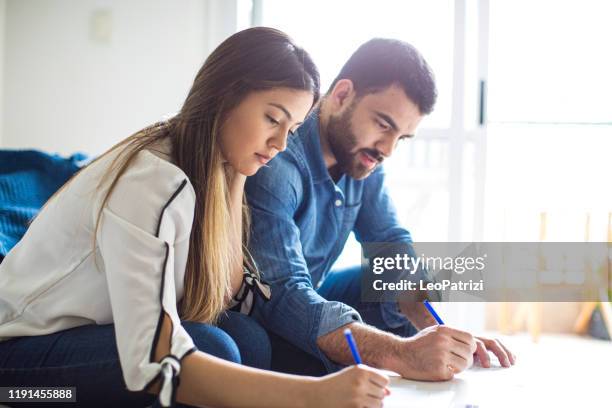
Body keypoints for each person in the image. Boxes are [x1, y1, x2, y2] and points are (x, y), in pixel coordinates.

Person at [0, 27, 390, 408]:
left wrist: (238, 176)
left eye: (293, 129)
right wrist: (315, 396)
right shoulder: (152, 182)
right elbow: (153, 365)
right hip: (15, 365)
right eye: (273, 119)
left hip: (89, 336)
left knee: (247, 337)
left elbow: (223, 294)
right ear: (225, 96)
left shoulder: (215, 166)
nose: (281, 144)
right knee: (212, 346)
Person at [245, 38, 516, 380]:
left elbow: (389, 241)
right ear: (342, 95)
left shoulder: (361, 155)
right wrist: (400, 353)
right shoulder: (278, 164)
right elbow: (284, 294)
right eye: (384, 125)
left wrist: (446, 337)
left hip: (309, 291)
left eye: (401, 138)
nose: (388, 149)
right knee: (260, 339)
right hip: (261, 311)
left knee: (384, 277)